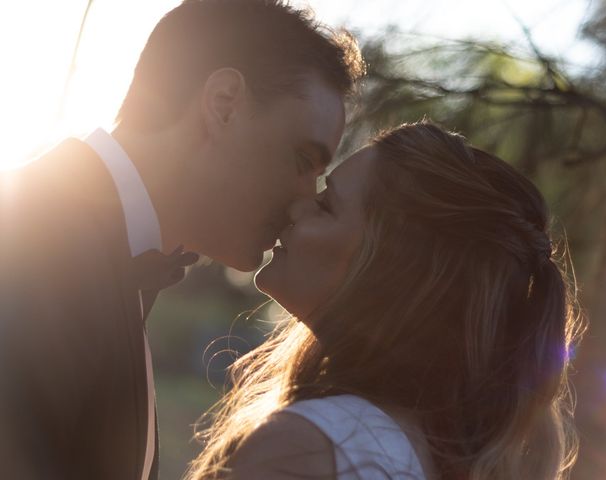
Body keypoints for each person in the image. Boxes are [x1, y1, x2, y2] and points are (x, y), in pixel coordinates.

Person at [0, 1, 364, 479]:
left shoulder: (102, 253)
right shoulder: (31, 243)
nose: (303, 202)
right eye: (302, 161)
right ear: (224, 104)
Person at [187, 121, 584, 480]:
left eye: (326, 205)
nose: (296, 206)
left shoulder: (307, 448)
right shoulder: (420, 453)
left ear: (389, 266)